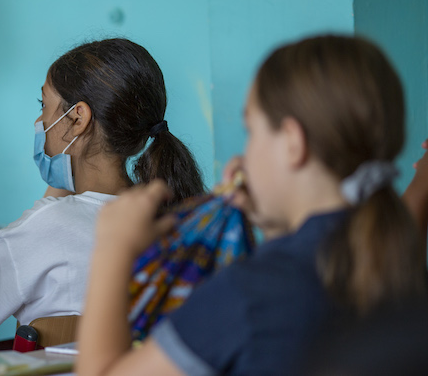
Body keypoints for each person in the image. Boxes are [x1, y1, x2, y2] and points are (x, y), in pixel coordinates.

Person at [77, 35, 428, 376]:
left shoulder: (250, 294)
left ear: (292, 143)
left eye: (252, 130)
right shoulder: (398, 270)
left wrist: (113, 247)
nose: (244, 154)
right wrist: (276, 227)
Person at [0, 38, 205, 329]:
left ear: (78, 119)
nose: (39, 119)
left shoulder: (49, 224)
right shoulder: (173, 216)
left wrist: (53, 197)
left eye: (44, 105)